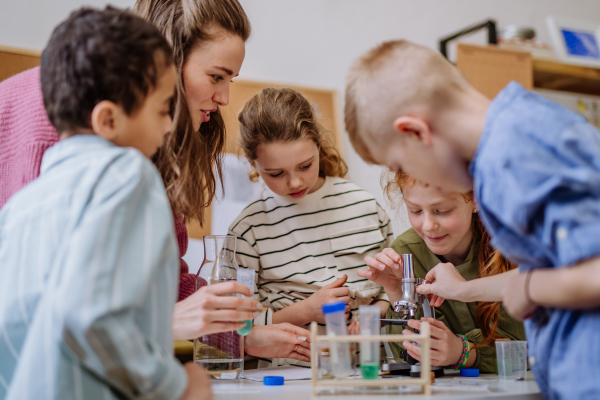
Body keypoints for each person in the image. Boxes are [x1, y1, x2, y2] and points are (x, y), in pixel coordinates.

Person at [0, 0, 309, 359]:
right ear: (169, 60)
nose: (224, 98)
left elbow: (163, 284)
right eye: (216, 76)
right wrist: (165, 326)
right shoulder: (48, 122)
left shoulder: (150, 140)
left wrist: (243, 337)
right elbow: (40, 310)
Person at [344, 39, 600, 399]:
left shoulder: (515, 153)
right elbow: (562, 266)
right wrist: (463, 291)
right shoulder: (517, 133)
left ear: (416, 133)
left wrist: (525, 290)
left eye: (401, 164)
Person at [0, 8, 210, 400]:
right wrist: (177, 385)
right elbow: (93, 318)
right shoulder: (130, 173)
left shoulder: (20, 207)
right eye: (164, 109)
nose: (169, 126)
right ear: (108, 120)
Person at [229, 88, 393, 337]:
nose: (295, 182)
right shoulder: (247, 230)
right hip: (289, 370)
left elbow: (394, 288)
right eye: (276, 173)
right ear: (252, 164)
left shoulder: (364, 206)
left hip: (370, 366)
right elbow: (239, 326)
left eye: (305, 166)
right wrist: (305, 311)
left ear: (319, 145)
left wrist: (375, 315)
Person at [361, 172, 524, 372]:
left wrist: (463, 353)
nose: (428, 226)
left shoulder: (511, 247)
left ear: (476, 199)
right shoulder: (405, 253)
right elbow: (407, 357)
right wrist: (397, 292)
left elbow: (525, 349)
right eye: (415, 210)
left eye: (443, 210)